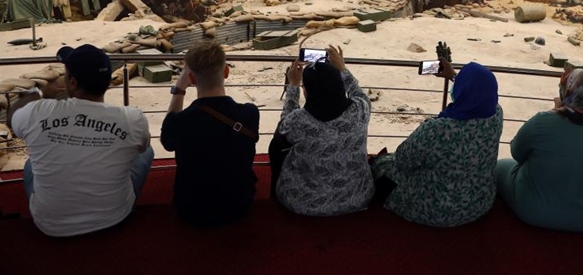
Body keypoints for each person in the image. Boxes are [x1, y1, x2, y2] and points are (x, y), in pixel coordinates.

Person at [8, 45, 153, 237]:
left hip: (49, 224)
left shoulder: (38, 111)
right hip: (114, 217)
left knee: (30, 165)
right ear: (108, 82)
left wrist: (38, 94)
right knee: (146, 149)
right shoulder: (132, 118)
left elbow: (11, 119)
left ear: (73, 83)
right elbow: (141, 147)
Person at [371, 59, 503, 227]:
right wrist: (453, 76)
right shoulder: (496, 114)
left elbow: (403, 161)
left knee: (383, 165)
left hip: (436, 210)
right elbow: (478, 93)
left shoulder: (439, 130)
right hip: (478, 202)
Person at [496, 70, 583, 232]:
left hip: (534, 212)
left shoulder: (543, 121)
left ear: (565, 91)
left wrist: (555, 111)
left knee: (500, 166)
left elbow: (517, 153)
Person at [160, 41, 259, 228]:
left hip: (191, 209)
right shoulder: (250, 113)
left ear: (192, 78)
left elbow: (167, 140)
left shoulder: (181, 121)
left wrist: (179, 89)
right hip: (238, 206)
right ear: (226, 72)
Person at [269, 46, 373, 216]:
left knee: (276, 147)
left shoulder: (298, 120)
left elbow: (283, 128)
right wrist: (342, 69)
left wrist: (293, 85)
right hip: (357, 198)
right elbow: (358, 92)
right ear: (339, 86)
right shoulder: (360, 109)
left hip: (303, 203)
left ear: (306, 91)